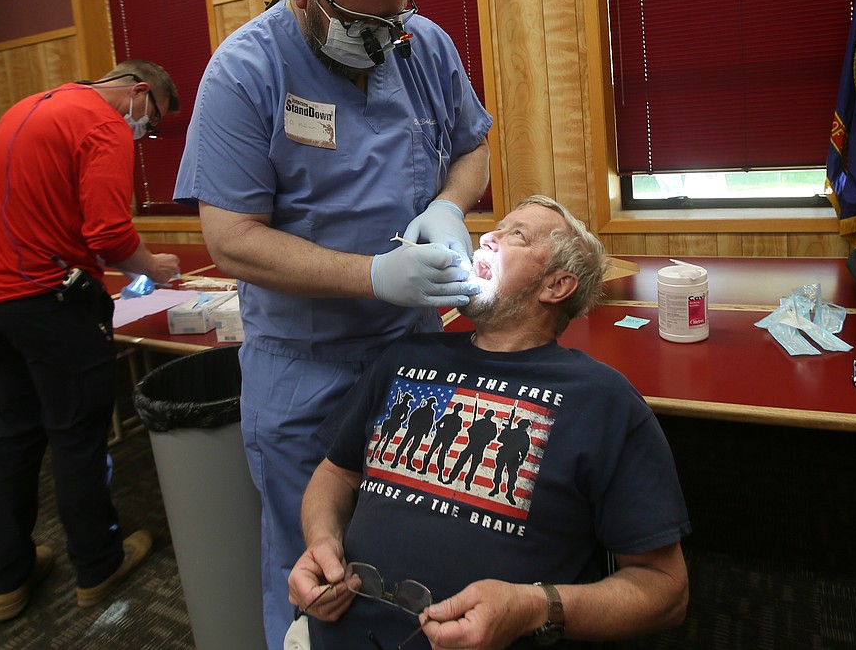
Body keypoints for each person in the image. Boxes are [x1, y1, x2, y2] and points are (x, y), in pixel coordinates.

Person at [174, 0, 492, 647]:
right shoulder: (244, 74)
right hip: (304, 372)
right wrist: (371, 277)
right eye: (365, 24)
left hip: (413, 357)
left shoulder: (421, 44)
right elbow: (232, 240)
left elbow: (473, 146)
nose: (387, 39)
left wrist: (449, 204)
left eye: (399, 16)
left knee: (420, 553)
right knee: (318, 578)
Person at [289, 195, 691, 649]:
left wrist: (535, 608)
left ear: (557, 285)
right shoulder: (404, 357)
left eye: (515, 234)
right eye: (495, 229)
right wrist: (320, 543)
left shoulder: (603, 400)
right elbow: (335, 474)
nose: (486, 239)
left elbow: (665, 589)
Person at [0, 60, 183, 621]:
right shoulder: (102, 124)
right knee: (77, 436)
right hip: (49, 304)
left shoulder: (27, 109)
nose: (145, 135)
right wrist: (151, 264)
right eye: (150, 123)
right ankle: (98, 564)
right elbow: (107, 233)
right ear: (137, 92)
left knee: (15, 436)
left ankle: (8, 578)